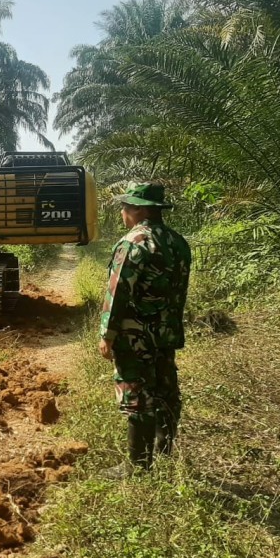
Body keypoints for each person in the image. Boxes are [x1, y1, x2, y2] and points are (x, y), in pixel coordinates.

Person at [99, 182, 191, 473]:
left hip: (134, 334)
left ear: (137, 209)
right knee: (165, 390)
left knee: (137, 393)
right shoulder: (178, 242)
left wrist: (107, 334)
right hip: (166, 332)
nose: (123, 214)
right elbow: (179, 293)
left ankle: (138, 466)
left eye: (125, 208)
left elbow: (117, 294)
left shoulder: (135, 242)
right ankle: (164, 452)